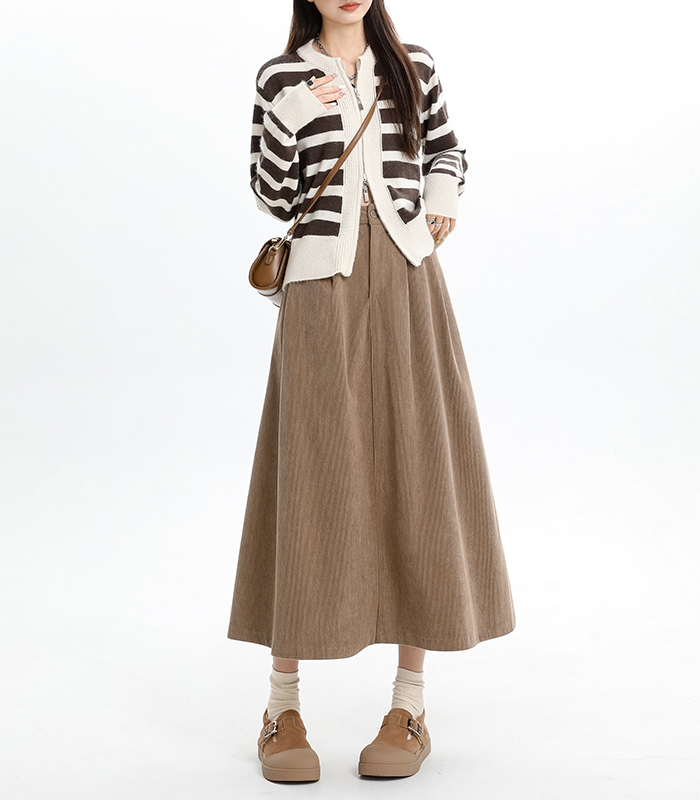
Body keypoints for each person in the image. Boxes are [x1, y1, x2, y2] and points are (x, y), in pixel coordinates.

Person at [227, 0, 516, 782]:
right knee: (310, 476)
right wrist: (294, 113)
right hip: (320, 288)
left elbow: (446, 148)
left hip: (408, 279)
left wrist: (443, 197)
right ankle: (282, 708)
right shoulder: (281, 77)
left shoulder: (412, 66)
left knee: (416, 468)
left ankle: (409, 704)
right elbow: (272, 193)